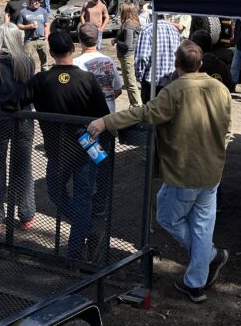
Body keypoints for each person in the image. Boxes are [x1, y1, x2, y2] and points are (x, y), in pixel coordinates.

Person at [86, 40, 232, 304]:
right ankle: (197, 278)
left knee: (167, 216)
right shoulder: (220, 89)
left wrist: (106, 121)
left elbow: (145, 113)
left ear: (177, 66)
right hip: (212, 170)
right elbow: (226, 125)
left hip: (185, 171)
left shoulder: (174, 91)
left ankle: (207, 258)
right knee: (202, 225)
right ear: (200, 64)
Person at [10, 30, 110, 261]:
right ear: (72, 50)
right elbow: (103, 115)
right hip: (85, 148)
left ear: (51, 52)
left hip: (57, 150)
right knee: (79, 197)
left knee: (57, 192)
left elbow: (11, 103)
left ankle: (77, 248)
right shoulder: (87, 79)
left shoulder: (40, 80)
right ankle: (85, 236)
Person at [0, 23, 35, 233]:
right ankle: (27, 215)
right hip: (23, 118)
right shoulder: (27, 61)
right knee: (24, 167)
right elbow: (30, 88)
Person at [75, 23, 122, 113]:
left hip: (85, 117)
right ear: (97, 39)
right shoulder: (108, 60)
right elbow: (118, 90)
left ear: (80, 39)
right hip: (108, 115)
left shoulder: (75, 63)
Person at [134, 16, 181, 103]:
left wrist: (139, 76)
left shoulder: (147, 30)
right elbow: (178, 55)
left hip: (151, 84)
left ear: (152, 15)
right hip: (170, 82)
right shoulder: (175, 30)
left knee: (150, 114)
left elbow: (142, 57)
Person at [114, 2, 142, 108]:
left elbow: (127, 44)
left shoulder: (129, 24)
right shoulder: (131, 22)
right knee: (129, 82)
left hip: (127, 56)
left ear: (126, 11)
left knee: (130, 83)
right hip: (127, 56)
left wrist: (116, 42)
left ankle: (137, 106)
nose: (120, 12)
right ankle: (134, 105)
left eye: (121, 10)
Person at [16, 0, 50, 73]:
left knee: (44, 62)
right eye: (35, 0)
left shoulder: (43, 11)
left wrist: (46, 36)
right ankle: (28, 78)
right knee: (27, 62)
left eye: (38, 1)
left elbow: (47, 24)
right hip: (29, 40)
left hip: (42, 40)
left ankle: (44, 77)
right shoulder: (23, 12)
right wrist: (29, 26)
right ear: (31, 1)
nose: (37, 2)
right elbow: (19, 25)